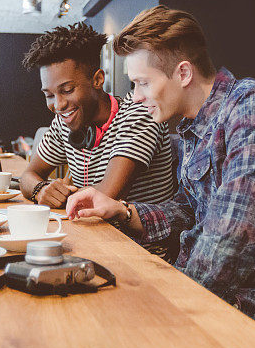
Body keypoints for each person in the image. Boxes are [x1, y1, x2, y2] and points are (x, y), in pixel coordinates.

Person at [66, 6, 255, 347]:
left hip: (249, 322)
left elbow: (234, 237)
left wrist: (164, 303)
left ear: (183, 73)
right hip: (202, 302)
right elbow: (191, 207)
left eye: (142, 83)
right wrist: (122, 210)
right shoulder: (193, 127)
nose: (135, 97)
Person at [20, 22, 176, 256]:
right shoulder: (64, 121)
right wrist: (41, 189)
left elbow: (102, 198)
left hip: (143, 254)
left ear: (97, 79)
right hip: (92, 242)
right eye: (49, 95)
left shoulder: (139, 113)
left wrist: (58, 194)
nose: (58, 104)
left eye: (67, 90)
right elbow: (27, 176)